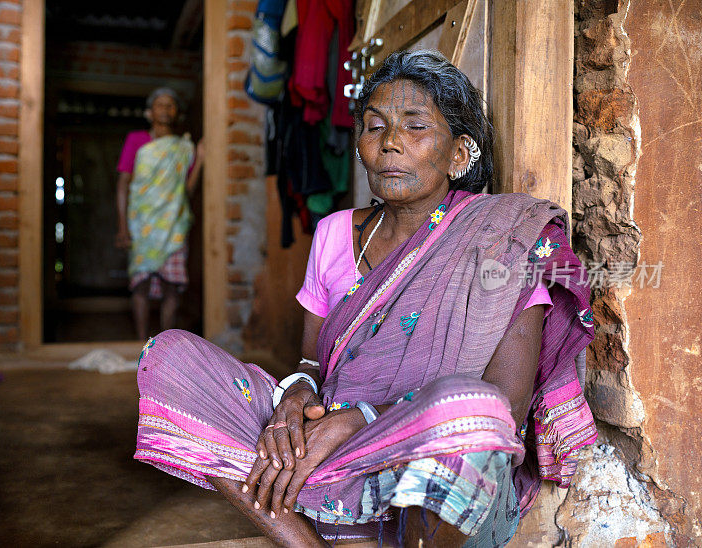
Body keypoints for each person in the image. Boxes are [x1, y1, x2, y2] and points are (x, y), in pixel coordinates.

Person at [133, 51, 596, 546]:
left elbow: (507, 403)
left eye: (415, 127)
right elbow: (312, 362)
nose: (390, 143)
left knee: (475, 410)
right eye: (374, 127)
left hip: (426, 464)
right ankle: (306, 541)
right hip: (322, 446)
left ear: (461, 154)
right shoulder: (334, 233)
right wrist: (295, 396)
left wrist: (363, 418)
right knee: (168, 356)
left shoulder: (504, 239)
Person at [115, 88, 204, 341]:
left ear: (176, 113)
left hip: (173, 224)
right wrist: (122, 227)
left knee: (172, 287)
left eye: (170, 105)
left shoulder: (183, 148)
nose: (165, 109)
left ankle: (166, 348)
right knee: (140, 285)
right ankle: (142, 345)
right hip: (142, 224)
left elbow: (187, 190)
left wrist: (201, 159)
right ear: (148, 112)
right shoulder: (136, 140)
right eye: (159, 104)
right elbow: (123, 183)